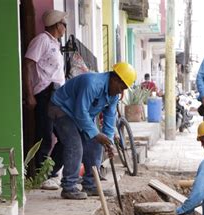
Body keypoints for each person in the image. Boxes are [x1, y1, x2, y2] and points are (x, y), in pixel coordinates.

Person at [48, 62, 136, 200]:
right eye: (121, 87)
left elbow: (109, 118)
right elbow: (80, 112)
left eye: (124, 89)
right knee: (75, 145)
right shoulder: (92, 84)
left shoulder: (113, 95)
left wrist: (108, 141)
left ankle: (91, 184)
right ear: (114, 79)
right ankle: (69, 187)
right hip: (61, 109)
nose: (121, 91)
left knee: (96, 143)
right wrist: (96, 134)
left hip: (81, 115)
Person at [23, 9, 67, 190]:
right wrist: (30, 94)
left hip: (58, 94)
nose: (65, 28)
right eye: (64, 24)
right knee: (45, 136)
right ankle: (41, 176)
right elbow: (27, 64)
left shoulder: (55, 43)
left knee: (65, 136)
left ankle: (50, 173)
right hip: (46, 92)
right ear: (57, 25)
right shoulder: (41, 40)